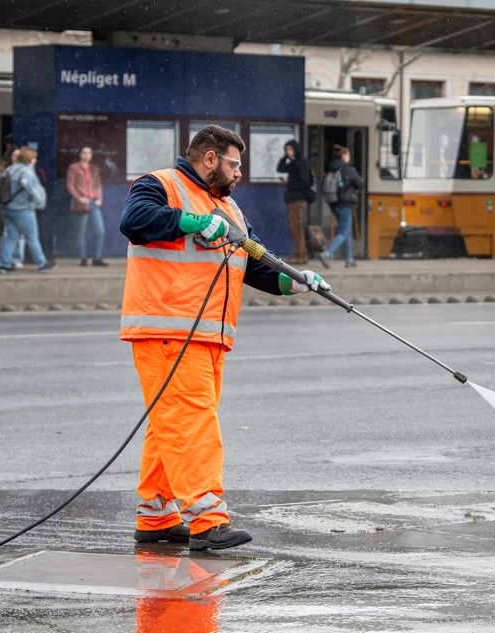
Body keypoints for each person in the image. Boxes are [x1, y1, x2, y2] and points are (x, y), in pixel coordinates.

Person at [119, 124, 329, 551]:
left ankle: (157, 515)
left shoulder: (230, 209)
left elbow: (255, 262)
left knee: (170, 424)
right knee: (192, 422)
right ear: (210, 158)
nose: (239, 173)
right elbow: (134, 221)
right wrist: (190, 222)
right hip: (169, 331)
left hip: (206, 338)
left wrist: (293, 280)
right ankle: (208, 520)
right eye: (234, 164)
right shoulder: (160, 185)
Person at [0, 147, 55, 274]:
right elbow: (28, 185)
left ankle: (4, 264)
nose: (35, 160)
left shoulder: (10, 169)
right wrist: (38, 200)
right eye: (34, 158)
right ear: (29, 159)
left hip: (7, 208)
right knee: (32, 236)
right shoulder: (26, 171)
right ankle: (41, 263)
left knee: (10, 237)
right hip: (22, 210)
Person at [318, 145, 364, 269]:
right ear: (344, 156)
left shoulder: (332, 168)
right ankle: (326, 253)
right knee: (344, 232)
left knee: (347, 231)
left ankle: (349, 259)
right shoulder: (348, 169)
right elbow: (360, 183)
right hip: (345, 204)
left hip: (334, 204)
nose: (349, 157)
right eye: (348, 155)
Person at [66, 146, 107, 267]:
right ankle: (83, 258)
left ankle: (97, 258)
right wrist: (79, 198)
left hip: (93, 202)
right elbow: (70, 185)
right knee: (81, 232)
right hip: (81, 202)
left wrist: (99, 198)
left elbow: (98, 185)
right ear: (80, 154)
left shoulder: (94, 169)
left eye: (89, 153)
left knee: (100, 231)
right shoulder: (74, 168)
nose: (86, 155)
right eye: (84, 152)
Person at [276, 139, 312, 264]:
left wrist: (289, 182)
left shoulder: (301, 162)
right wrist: (285, 156)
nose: (288, 152)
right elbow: (280, 168)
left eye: (290, 149)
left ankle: (300, 254)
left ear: (296, 149)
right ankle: (300, 253)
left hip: (297, 198)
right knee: (294, 227)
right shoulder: (293, 162)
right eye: (287, 150)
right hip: (292, 198)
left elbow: (304, 181)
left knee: (296, 227)